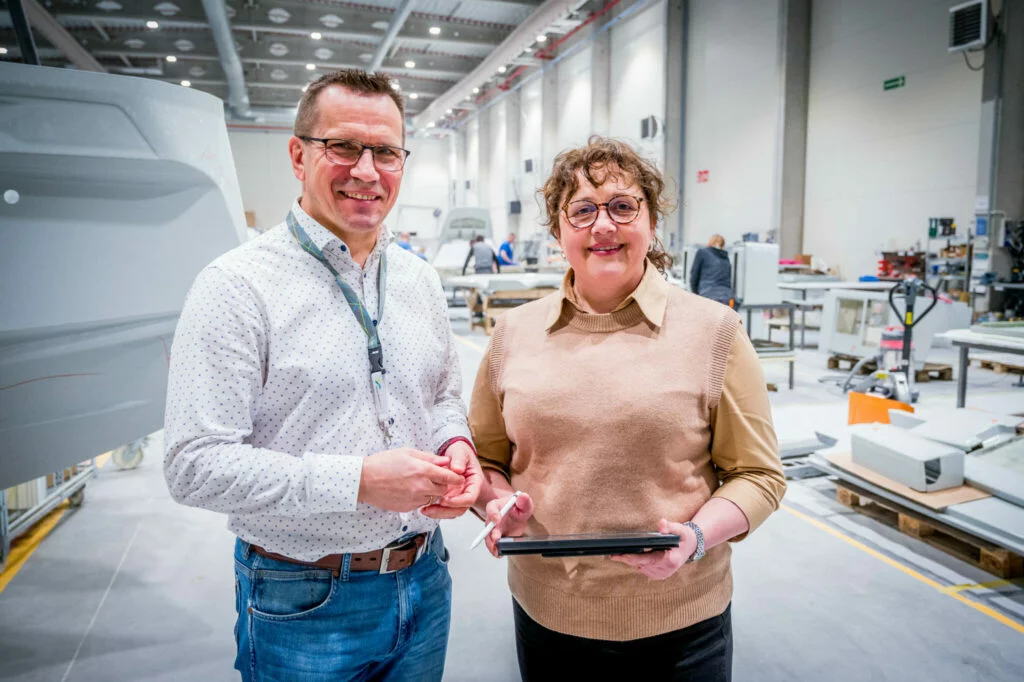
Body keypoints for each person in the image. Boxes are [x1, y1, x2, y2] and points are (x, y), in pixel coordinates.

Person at [164, 69, 483, 682]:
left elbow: (441, 394)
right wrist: (359, 481)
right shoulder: (237, 286)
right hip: (303, 597)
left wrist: (456, 443)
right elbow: (192, 464)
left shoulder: (419, 279)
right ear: (298, 155)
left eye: (385, 152)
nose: (366, 170)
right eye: (343, 146)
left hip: (425, 578)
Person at [468, 137, 786, 681]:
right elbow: (485, 460)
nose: (603, 226)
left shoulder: (714, 331)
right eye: (582, 210)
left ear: (652, 222)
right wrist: (495, 504)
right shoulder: (513, 334)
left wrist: (696, 538)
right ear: (558, 231)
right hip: (548, 618)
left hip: (681, 624)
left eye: (622, 206)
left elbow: (759, 476)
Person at [689, 234, 736, 307]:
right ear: (723, 245)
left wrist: (695, 294)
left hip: (707, 295)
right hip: (727, 297)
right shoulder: (726, 257)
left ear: (710, 243)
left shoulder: (702, 252)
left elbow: (694, 276)